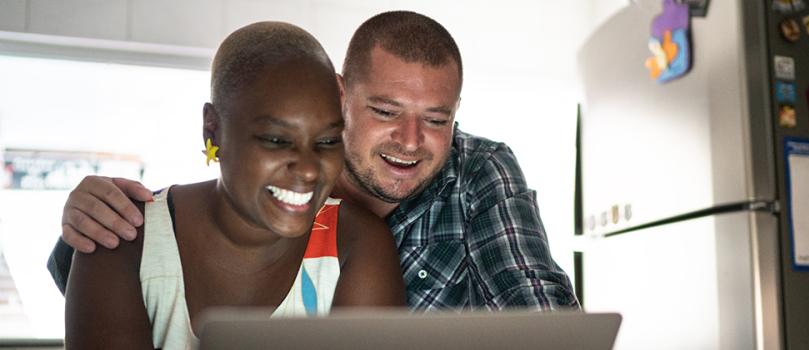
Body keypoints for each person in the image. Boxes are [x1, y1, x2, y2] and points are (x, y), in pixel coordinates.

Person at [50, 11, 579, 311]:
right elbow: (139, 266)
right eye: (386, 110)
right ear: (341, 94)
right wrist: (88, 218)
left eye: (437, 120)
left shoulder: (478, 171)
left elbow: (533, 301)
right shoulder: (275, 184)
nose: (412, 140)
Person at [64, 21, 405, 349]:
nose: (307, 170)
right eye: (275, 140)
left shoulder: (355, 243)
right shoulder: (122, 232)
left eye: (328, 141)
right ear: (212, 130)